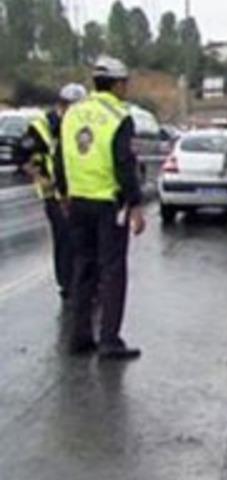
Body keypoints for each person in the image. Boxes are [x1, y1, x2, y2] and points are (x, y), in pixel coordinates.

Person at [54, 56, 146, 360]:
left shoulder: (72, 114)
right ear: (118, 83)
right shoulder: (119, 115)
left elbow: (60, 158)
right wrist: (135, 204)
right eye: (125, 83)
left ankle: (79, 337)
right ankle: (109, 339)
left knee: (83, 268)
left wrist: (64, 193)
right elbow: (124, 164)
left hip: (78, 201)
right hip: (109, 203)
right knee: (112, 271)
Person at [19, 83, 87, 305]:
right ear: (61, 105)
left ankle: (82, 282)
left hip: (78, 191)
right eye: (71, 108)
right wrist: (40, 176)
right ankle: (67, 284)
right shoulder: (42, 126)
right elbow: (24, 155)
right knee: (64, 238)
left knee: (81, 239)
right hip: (53, 193)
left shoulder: (81, 126)